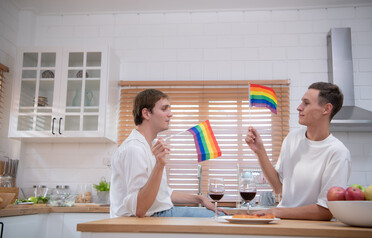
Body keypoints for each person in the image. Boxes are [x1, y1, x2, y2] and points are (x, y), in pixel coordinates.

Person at [110, 89, 226, 218]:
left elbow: (161, 194)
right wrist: (159, 165)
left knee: (219, 215)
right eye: (164, 109)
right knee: (218, 218)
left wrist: (199, 199)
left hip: (160, 213)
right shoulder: (134, 149)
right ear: (146, 113)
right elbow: (140, 209)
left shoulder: (150, 145)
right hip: (148, 218)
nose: (170, 114)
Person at [245, 82, 351, 221]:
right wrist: (260, 151)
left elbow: (326, 211)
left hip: (312, 229)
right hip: (284, 224)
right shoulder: (292, 138)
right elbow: (279, 188)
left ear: (326, 109)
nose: (299, 107)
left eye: (306, 103)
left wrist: (277, 212)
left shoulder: (338, 153)